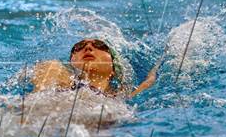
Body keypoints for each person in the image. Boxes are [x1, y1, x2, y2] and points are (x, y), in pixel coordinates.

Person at [31, 38, 161, 98]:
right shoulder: (52, 72)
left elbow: (148, 82)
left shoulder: (121, 98)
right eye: (79, 46)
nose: (88, 48)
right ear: (71, 61)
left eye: (100, 45)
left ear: (114, 67)